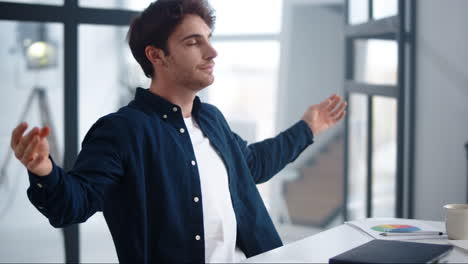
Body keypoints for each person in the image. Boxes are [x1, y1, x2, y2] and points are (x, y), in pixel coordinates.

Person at [10, 0, 347, 263]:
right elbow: (73, 205)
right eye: (193, 42)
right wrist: (44, 171)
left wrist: (309, 127)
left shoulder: (212, 119)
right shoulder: (122, 131)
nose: (212, 52)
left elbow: (253, 164)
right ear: (157, 56)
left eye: (209, 40)